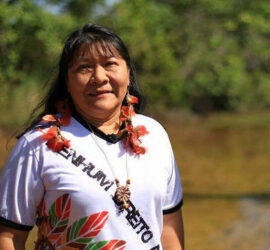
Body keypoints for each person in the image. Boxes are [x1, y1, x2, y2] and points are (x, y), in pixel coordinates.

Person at [0, 23, 184, 250]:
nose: (99, 77)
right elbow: (9, 236)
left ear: (128, 73)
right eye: (84, 68)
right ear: (67, 81)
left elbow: (168, 226)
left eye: (110, 64)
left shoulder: (154, 135)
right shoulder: (38, 144)